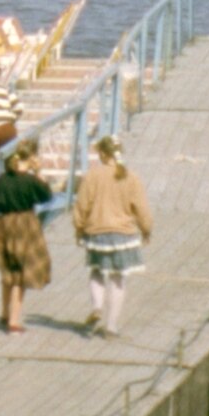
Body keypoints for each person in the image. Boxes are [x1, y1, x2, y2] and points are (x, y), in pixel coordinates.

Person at [74, 135, 154, 333]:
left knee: (96, 271)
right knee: (118, 279)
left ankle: (97, 307)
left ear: (102, 153)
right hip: (123, 235)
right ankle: (111, 326)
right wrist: (146, 230)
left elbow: (81, 206)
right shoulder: (131, 177)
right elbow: (141, 208)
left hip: (97, 233)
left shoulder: (92, 176)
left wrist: (79, 228)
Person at [0, 135, 56, 335]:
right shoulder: (31, 181)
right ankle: (14, 321)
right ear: (30, 159)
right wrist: (39, 171)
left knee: (7, 271)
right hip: (25, 225)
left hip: (4, 225)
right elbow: (47, 196)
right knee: (20, 276)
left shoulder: (1, 180)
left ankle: (4, 312)